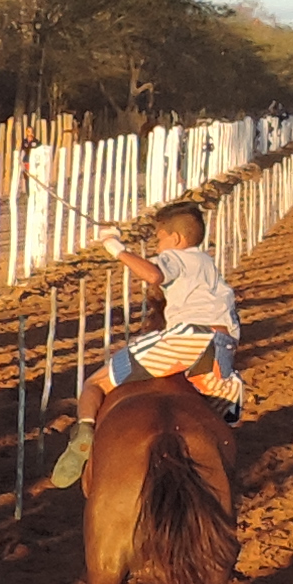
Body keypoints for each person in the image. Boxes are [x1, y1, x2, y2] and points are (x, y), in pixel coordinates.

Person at [53, 204, 247, 489]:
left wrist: (115, 247)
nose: (159, 245)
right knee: (219, 415)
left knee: (95, 384)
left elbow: (155, 275)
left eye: (159, 238)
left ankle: (84, 432)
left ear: (176, 240)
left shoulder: (174, 257)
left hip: (185, 340)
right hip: (220, 348)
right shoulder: (207, 265)